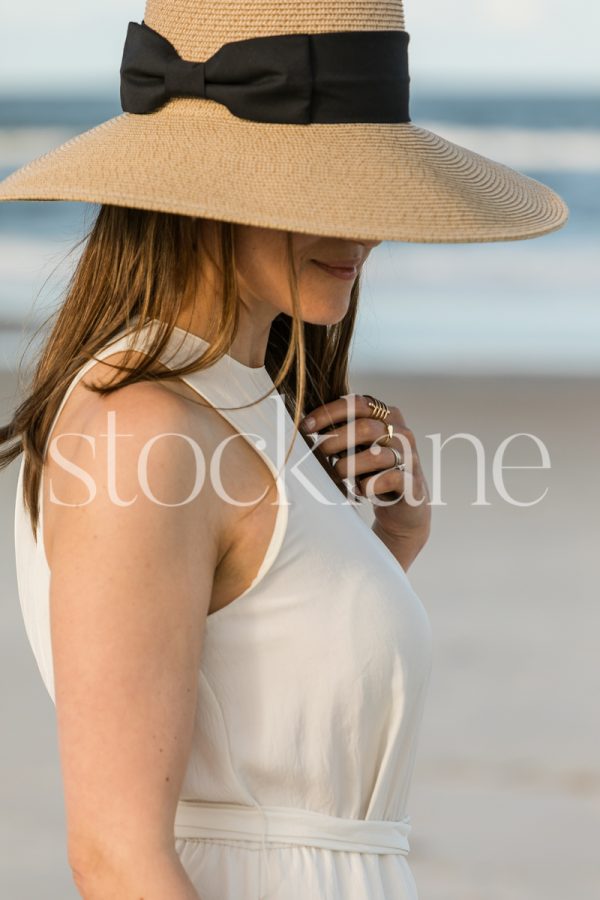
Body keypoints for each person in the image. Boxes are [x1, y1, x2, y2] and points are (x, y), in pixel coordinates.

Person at [0, 2, 568, 899]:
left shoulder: (233, 401)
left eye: (371, 192)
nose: (369, 231)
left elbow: (266, 718)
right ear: (206, 188)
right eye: (330, 191)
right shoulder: (144, 428)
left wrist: (380, 557)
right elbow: (115, 858)